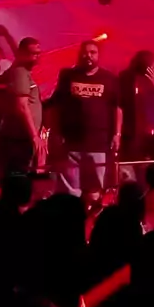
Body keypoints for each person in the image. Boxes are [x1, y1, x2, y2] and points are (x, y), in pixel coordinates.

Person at [50, 40, 121, 201]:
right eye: (85, 52)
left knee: (96, 189)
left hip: (99, 142)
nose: (88, 56)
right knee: (70, 189)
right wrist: (56, 131)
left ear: (99, 55)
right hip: (71, 142)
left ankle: (94, 214)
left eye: (92, 52)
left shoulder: (109, 78)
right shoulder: (67, 76)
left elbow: (117, 108)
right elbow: (57, 105)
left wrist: (117, 134)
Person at [0, 37, 45, 173]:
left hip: (21, 138)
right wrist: (34, 136)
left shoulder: (24, 72)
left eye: (38, 53)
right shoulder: (20, 73)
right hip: (19, 138)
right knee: (19, 175)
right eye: (32, 53)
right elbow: (22, 106)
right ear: (22, 54)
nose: (36, 57)